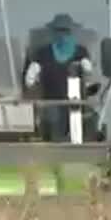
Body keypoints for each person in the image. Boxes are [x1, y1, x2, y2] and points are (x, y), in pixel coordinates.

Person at [23, 14, 101, 142]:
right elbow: (29, 80)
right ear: (53, 32)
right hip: (50, 105)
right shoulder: (43, 54)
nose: (63, 35)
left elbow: (89, 75)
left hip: (77, 105)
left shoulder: (81, 53)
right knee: (53, 122)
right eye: (59, 31)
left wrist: (88, 74)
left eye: (66, 31)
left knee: (89, 120)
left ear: (72, 32)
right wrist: (33, 89)